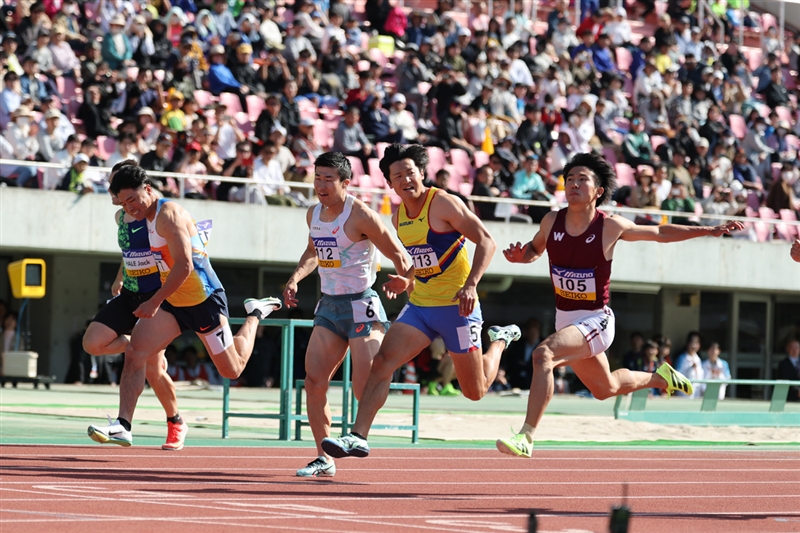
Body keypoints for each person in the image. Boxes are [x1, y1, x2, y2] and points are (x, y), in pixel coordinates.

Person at [495, 152, 744, 457]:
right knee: (605, 389)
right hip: (566, 320)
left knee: (543, 355)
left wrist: (708, 230)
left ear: (598, 191)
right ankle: (660, 378)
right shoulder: (551, 220)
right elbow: (535, 248)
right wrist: (523, 257)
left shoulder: (609, 226)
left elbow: (660, 232)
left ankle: (526, 437)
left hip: (596, 320)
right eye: (569, 179)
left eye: (582, 179)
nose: (573, 184)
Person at [321, 143, 521, 459]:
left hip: (458, 308)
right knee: (382, 363)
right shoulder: (399, 216)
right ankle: (358, 436)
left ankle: (498, 341)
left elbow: (486, 241)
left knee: (475, 391)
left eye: (410, 173)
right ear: (389, 182)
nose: (405, 180)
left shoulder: (443, 203)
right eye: (397, 175)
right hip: (421, 307)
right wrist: (409, 278)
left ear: (422, 173)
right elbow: (426, 256)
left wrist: (471, 286)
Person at [88, 165, 283, 447]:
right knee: (135, 352)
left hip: (203, 301)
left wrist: (153, 302)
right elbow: (134, 256)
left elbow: (184, 266)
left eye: (134, 199)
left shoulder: (169, 215)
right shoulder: (137, 219)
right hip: (173, 302)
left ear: (149, 190)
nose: (131, 207)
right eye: (124, 202)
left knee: (232, 369)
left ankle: (255, 313)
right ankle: (123, 425)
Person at [283, 152, 414, 478]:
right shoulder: (313, 213)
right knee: (313, 382)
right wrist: (295, 277)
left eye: (328, 179)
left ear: (345, 182)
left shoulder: (362, 215)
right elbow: (314, 251)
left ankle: (358, 435)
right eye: (317, 178)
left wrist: (408, 282)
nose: (321, 185)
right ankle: (322, 457)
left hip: (361, 302)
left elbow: (398, 253)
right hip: (329, 305)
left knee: (364, 386)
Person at [82, 161, 185, 450]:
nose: (114, 194)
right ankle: (133, 343)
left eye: (119, 188)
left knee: (153, 369)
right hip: (129, 292)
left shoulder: (154, 215)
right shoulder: (120, 216)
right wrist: (119, 277)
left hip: (155, 297)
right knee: (93, 343)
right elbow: (128, 252)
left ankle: (175, 421)